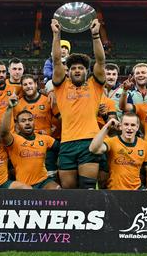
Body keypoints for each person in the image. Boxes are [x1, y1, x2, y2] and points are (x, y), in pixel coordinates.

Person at [51, 18, 106, 189]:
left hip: (89, 142)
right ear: (69, 72)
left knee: (87, 189)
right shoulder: (61, 86)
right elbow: (57, 61)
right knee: (69, 191)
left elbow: (101, 61)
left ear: (86, 71)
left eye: (80, 68)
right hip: (66, 143)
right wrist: (56, 34)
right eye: (73, 68)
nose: (76, 70)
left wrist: (95, 35)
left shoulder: (94, 84)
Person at [0, 96, 60, 189]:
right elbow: (3, 133)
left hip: (44, 181)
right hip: (25, 185)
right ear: (18, 126)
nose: (27, 123)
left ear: (34, 122)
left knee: (57, 189)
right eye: (23, 121)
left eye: (30, 120)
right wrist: (9, 108)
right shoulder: (14, 140)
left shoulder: (44, 138)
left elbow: (62, 148)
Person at [89, 114, 147, 194]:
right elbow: (93, 149)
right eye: (126, 124)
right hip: (114, 191)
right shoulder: (112, 142)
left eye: (133, 125)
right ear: (120, 126)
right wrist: (107, 126)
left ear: (137, 127)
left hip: (136, 190)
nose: (129, 128)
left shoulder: (145, 145)